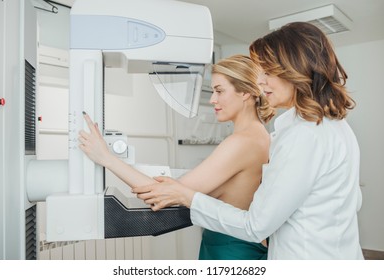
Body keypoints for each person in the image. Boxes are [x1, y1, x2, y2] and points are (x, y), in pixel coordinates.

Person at [133, 22, 364, 260]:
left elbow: (255, 226)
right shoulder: (336, 128)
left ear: (296, 70)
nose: (261, 82)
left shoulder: (304, 135)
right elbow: (352, 201)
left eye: (268, 72)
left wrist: (187, 197)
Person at [79, 54, 275, 260]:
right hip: (243, 246)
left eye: (219, 91)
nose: (212, 99)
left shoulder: (240, 142)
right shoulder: (260, 135)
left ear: (245, 93)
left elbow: (162, 195)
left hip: (231, 251)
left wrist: (107, 159)